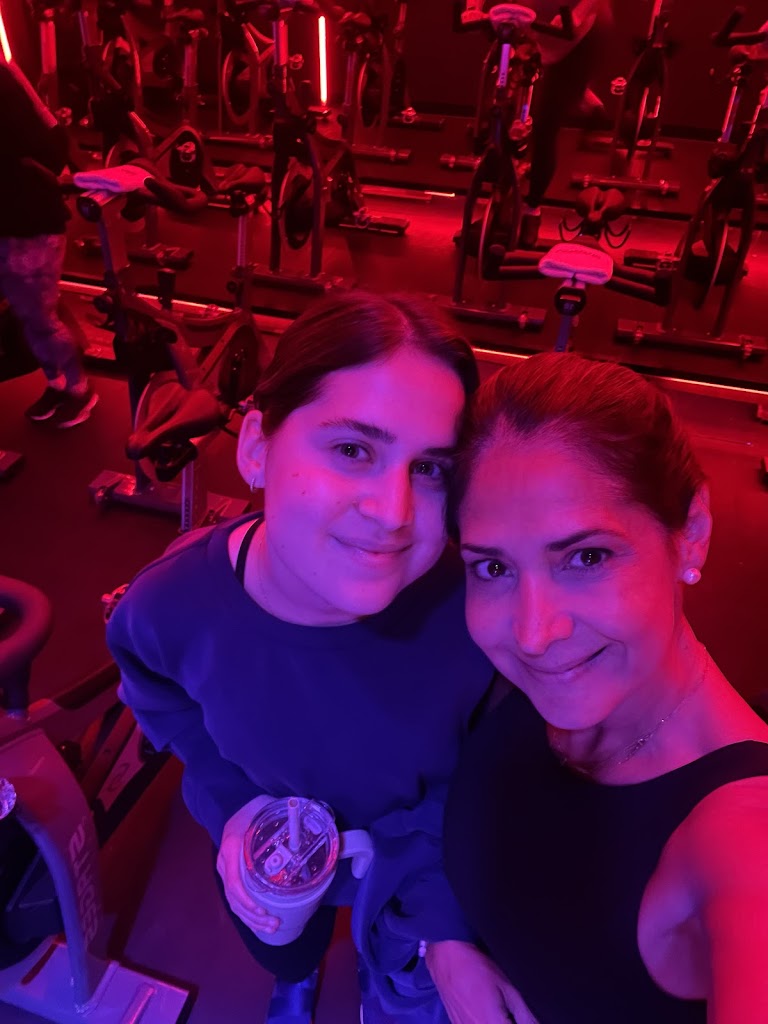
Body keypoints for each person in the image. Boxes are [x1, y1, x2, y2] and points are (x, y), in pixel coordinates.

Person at [106, 291, 495, 1024]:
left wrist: (442, 918)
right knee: (285, 945)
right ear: (256, 446)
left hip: (418, 868)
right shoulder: (170, 606)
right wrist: (231, 801)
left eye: (430, 469)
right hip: (276, 860)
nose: (392, 512)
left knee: (396, 965)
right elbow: (155, 691)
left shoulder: (476, 618)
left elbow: (488, 778)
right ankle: (296, 976)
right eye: (353, 450)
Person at [428, 352, 768, 1023]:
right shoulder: (526, 678)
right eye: (493, 568)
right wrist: (446, 941)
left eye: (586, 557)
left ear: (692, 534)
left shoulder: (742, 837)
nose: (533, 634)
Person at [0, 56, 98, 427]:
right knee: (31, 314)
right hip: (13, 221)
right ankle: (57, 383)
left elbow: (52, 149)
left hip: (30, 223)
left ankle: (79, 389)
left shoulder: (5, 85)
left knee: (40, 316)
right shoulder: (8, 79)